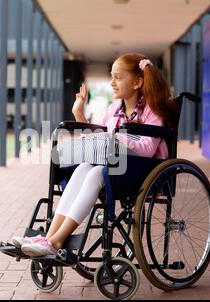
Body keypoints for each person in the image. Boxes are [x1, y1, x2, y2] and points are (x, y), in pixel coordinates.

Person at [12, 52, 178, 256]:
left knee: (96, 173)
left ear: (137, 82)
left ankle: (55, 242)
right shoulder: (114, 109)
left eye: (118, 77)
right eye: (112, 76)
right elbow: (98, 139)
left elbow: (148, 148)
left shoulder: (152, 109)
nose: (112, 83)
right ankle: (48, 238)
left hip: (141, 171)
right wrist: (78, 114)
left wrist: (116, 137)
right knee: (83, 168)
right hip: (116, 167)